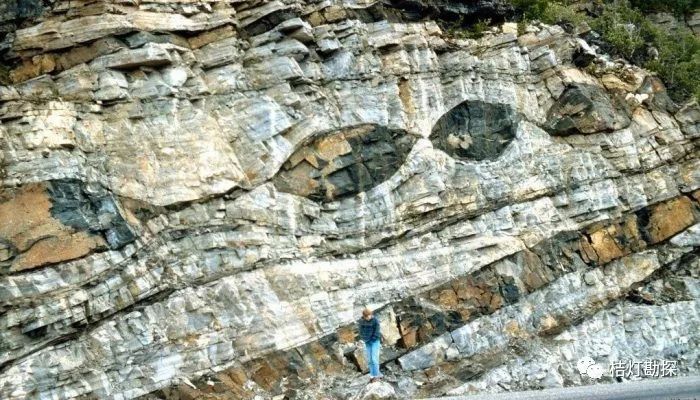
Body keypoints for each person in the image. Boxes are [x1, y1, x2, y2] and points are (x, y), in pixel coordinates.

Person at [358, 307, 382, 382]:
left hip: (374, 342)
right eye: (367, 316)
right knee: (369, 360)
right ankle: (372, 375)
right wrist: (363, 339)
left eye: (369, 316)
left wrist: (372, 339)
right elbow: (360, 331)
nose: (368, 318)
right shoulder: (361, 321)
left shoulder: (375, 321)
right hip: (367, 342)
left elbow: (377, 332)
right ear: (364, 317)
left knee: (374, 359)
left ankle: (376, 376)